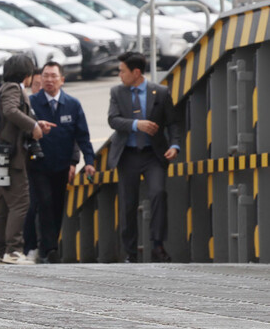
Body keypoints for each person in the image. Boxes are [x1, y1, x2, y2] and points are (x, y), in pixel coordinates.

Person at [108, 51, 182, 263]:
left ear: (136, 72)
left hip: (153, 155)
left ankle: (157, 245)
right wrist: (135, 124)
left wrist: (175, 145)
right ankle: (130, 252)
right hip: (128, 155)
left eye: (122, 71)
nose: (120, 75)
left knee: (158, 193)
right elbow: (113, 120)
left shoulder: (160, 92)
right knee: (128, 204)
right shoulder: (117, 92)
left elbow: (173, 123)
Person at [0, 54, 53, 265]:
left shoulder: (4, 88)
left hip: (0, 156)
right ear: (27, 73)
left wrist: (34, 123)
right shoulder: (14, 88)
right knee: (21, 202)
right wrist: (32, 127)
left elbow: (10, 116)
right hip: (11, 157)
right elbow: (11, 110)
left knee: (2, 205)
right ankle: (13, 250)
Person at [28, 61, 96, 264]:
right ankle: (47, 248)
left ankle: (51, 246)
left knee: (57, 206)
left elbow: (82, 135)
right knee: (44, 203)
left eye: (53, 76)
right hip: (37, 165)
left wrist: (89, 161)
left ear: (62, 80)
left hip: (61, 165)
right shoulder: (31, 103)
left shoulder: (72, 105)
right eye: (45, 76)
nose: (49, 80)